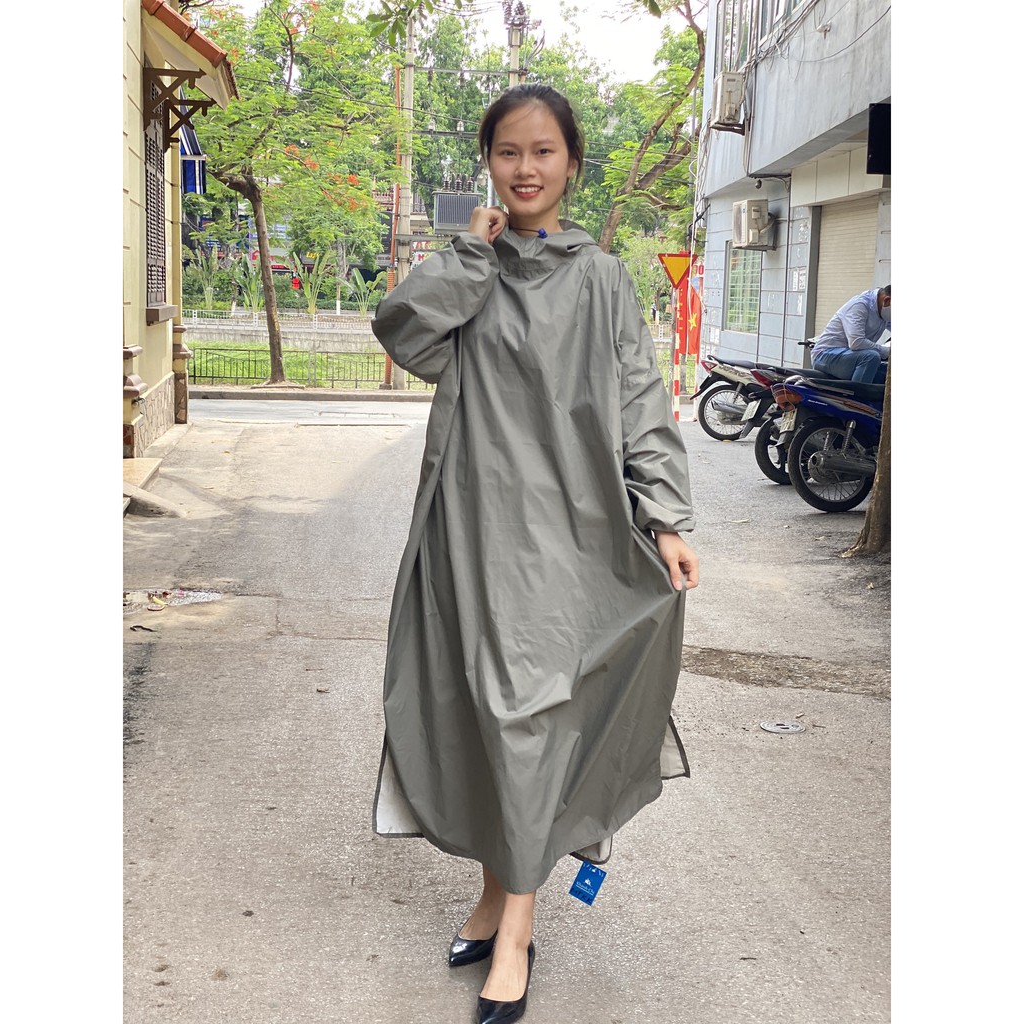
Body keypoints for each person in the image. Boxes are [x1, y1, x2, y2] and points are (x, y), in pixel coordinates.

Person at [370, 84, 699, 1024]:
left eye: (544, 151)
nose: (525, 168)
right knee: (481, 714)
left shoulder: (602, 281)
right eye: (508, 151)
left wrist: (665, 518)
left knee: (529, 721)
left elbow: (640, 400)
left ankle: (514, 928)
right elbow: (404, 335)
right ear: (489, 163)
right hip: (469, 531)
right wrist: (470, 255)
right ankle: (493, 897)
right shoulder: (469, 269)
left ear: (572, 164)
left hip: (572, 539)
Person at [810, 284, 890, 384]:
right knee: (871, 357)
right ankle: (856, 393)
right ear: (887, 300)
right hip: (825, 356)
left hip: (851, 358)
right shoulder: (859, 305)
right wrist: (886, 351)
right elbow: (856, 342)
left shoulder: (885, 312)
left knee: (888, 370)